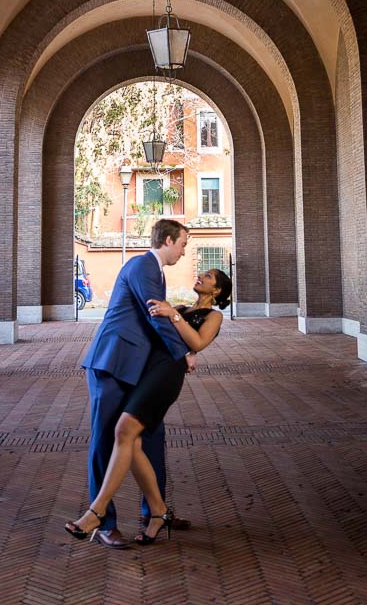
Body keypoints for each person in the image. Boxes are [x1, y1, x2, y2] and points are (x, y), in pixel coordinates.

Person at [67, 263, 232, 546]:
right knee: (135, 443)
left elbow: (199, 342)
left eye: (207, 277)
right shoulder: (181, 307)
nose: (200, 276)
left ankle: (97, 511)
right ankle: (158, 511)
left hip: (166, 375)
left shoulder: (213, 316)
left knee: (124, 431)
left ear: (216, 290)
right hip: (147, 371)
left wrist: (174, 320)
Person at [77, 219, 192, 547]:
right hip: (111, 365)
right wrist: (183, 352)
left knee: (153, 437)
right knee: (104, 442)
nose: (184, 252)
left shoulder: (153, 270)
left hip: (137, 370)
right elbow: (156, 314)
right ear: (168, 240)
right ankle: (103, 523)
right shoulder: (143, 266)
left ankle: (156, 511)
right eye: (183, 244)